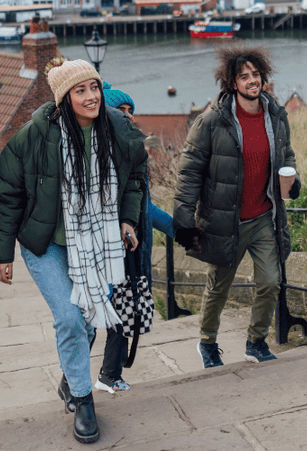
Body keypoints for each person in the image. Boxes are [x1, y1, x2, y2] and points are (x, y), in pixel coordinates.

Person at [0, 60, 147, 444]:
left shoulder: (119, 127)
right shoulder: (36, 135)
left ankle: (69, 378)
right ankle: (83, 399)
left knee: (90, 320)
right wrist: (2, 252)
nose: (91, 96)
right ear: (64, 97)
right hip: (46, 245)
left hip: (98, 244)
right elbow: (6, 192)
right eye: (81, 90)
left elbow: (136, 176)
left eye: (94, 86)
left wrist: (128, 220)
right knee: (71, 319)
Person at [173, 46, 300, 369]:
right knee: (218, 288)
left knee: (271, 282)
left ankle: (256, 342)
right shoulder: (212, 121)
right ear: (232, 83)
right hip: (225, 222)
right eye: (244, 77)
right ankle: (208, 343)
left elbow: (285, 155)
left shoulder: (275, 114)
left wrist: (293, 180)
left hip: (264, 218)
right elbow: (189, 171)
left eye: (256, 75)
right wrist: (184, 220)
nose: (252, 81)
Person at [95, 86, 175, 393]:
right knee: (93, 320)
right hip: (106, 251)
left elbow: (146, 207)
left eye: (131, 110)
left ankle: (109, 374)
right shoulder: (101, 155)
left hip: (132, 250)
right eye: (120, 110)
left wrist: (178, 230)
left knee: (123, 312)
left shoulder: (132, 151)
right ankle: (80, 380)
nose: (128, 116)